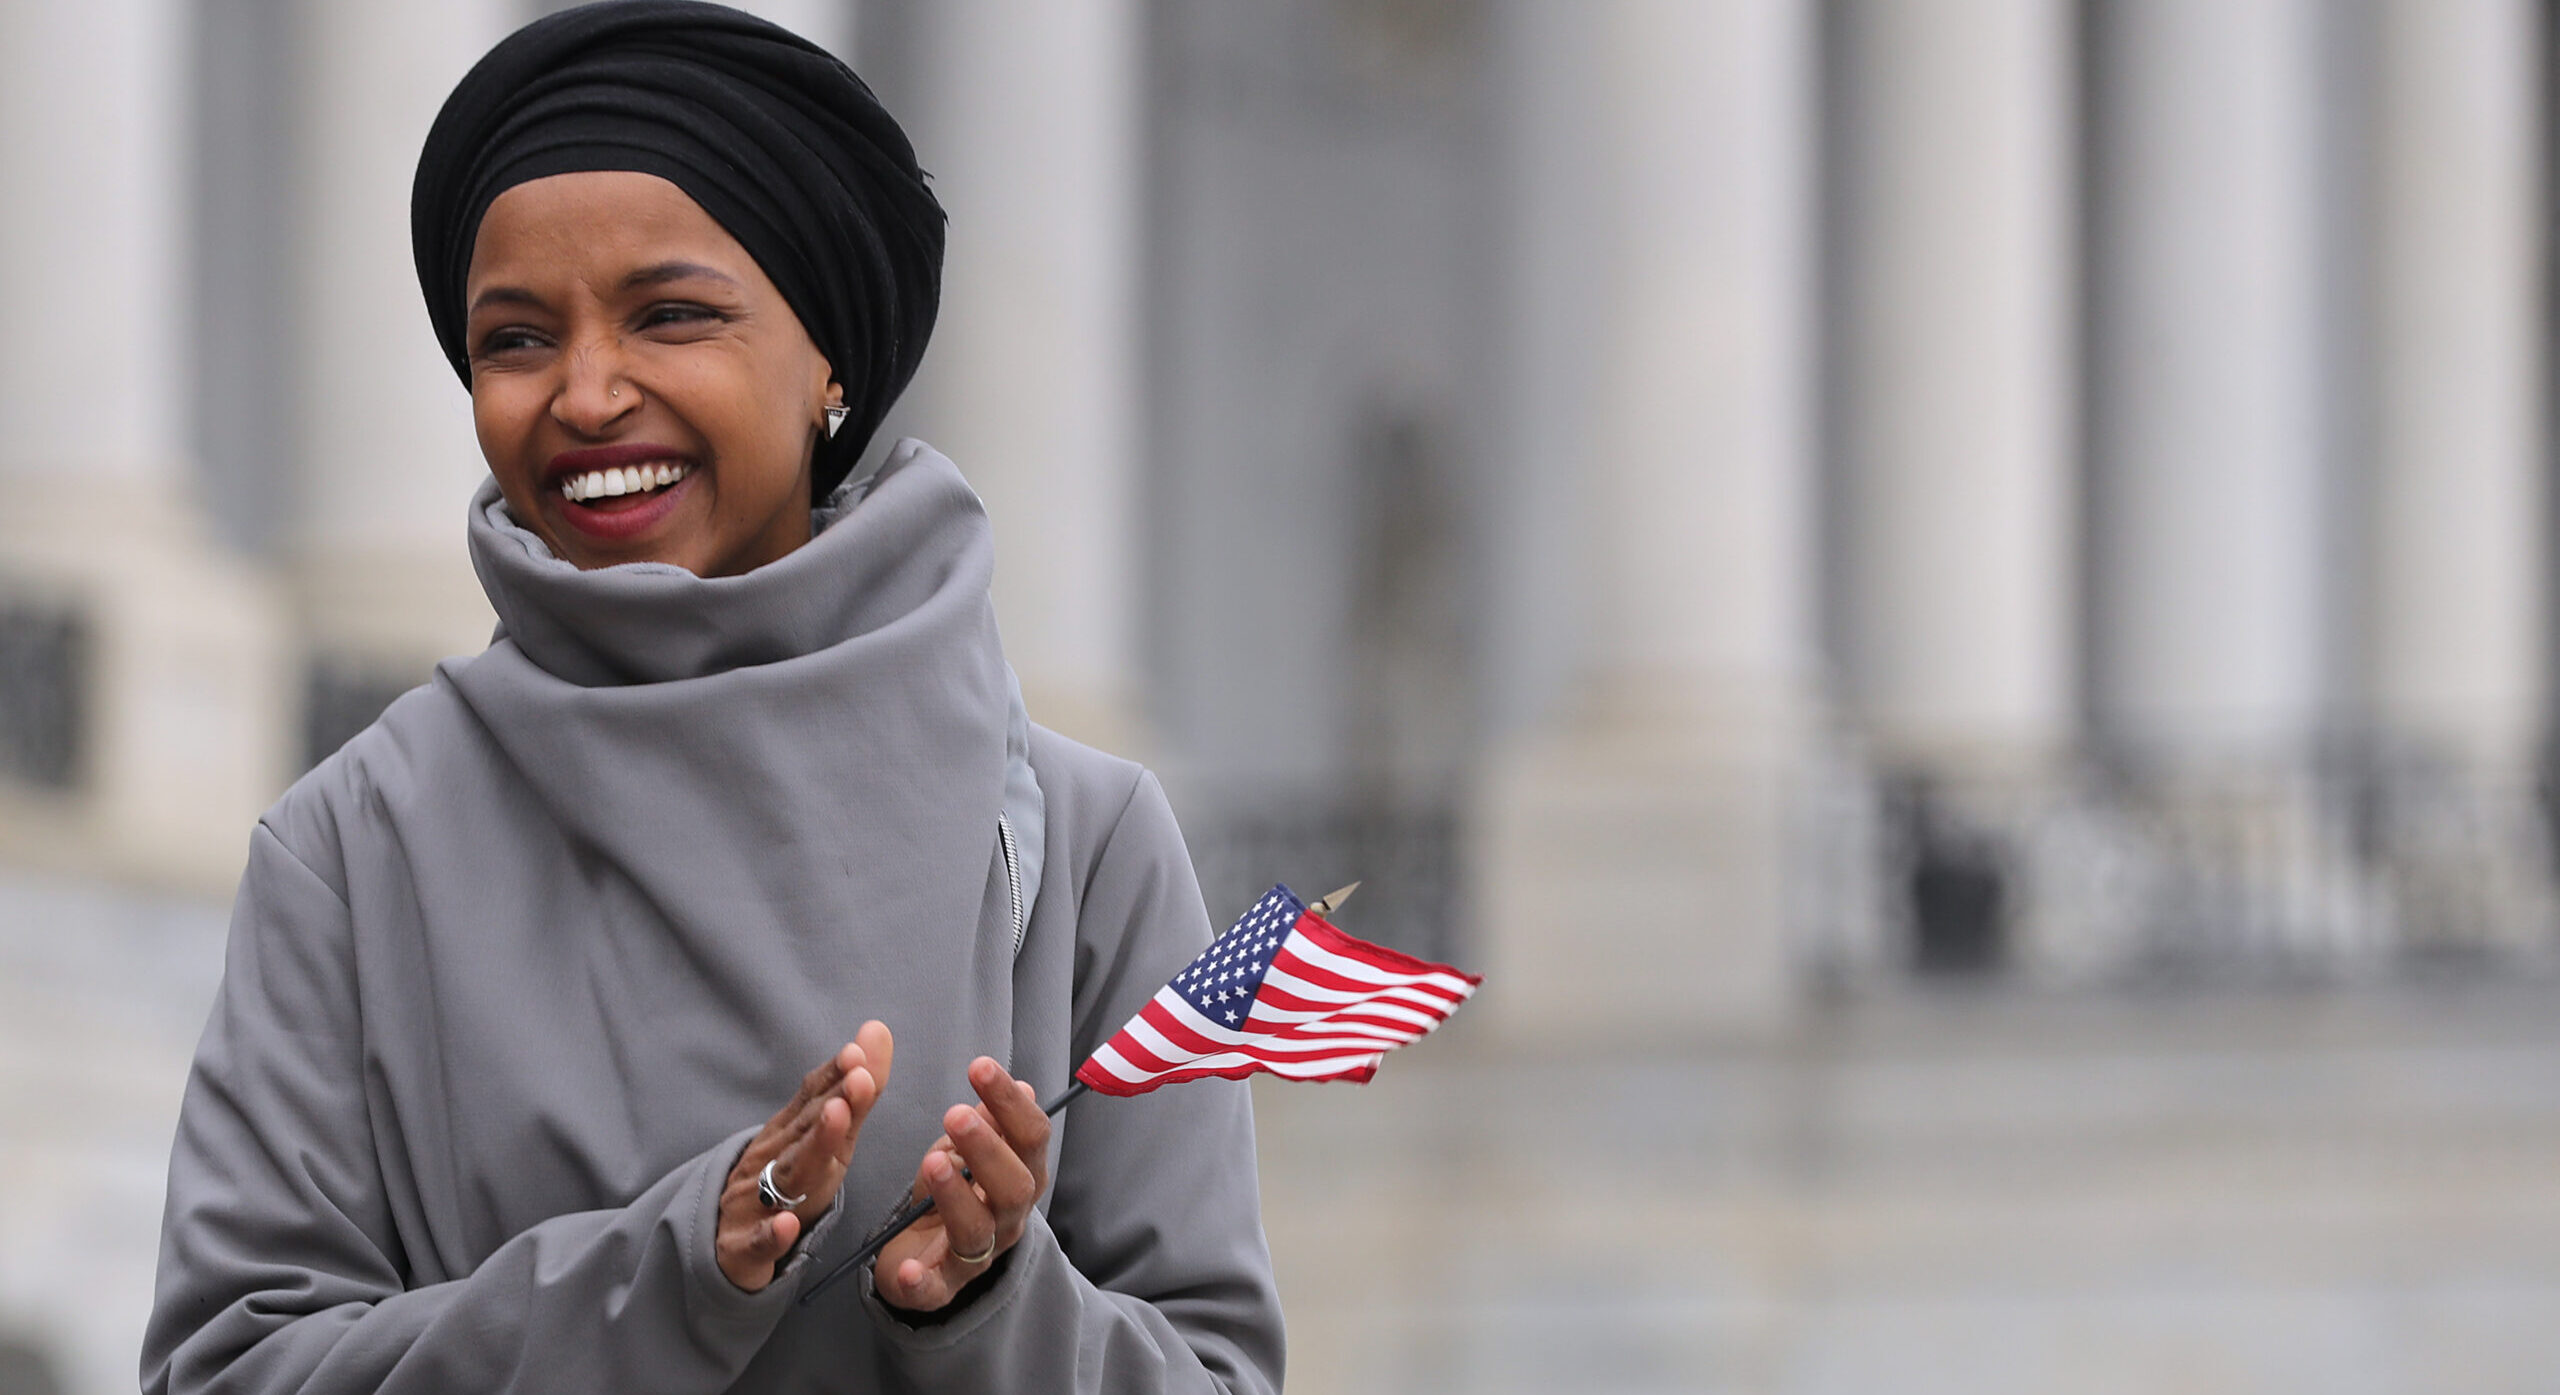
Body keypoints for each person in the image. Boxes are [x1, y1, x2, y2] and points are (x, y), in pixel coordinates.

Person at [140, 4, 1284, 1391]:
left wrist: (987, 1305)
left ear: (830, 367)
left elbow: (1216, 1375)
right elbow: (228, 1370)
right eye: (514, 338)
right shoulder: (356, 847)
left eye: (670, 315)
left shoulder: (1083, 845)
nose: (586, 392)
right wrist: (672, 1273)